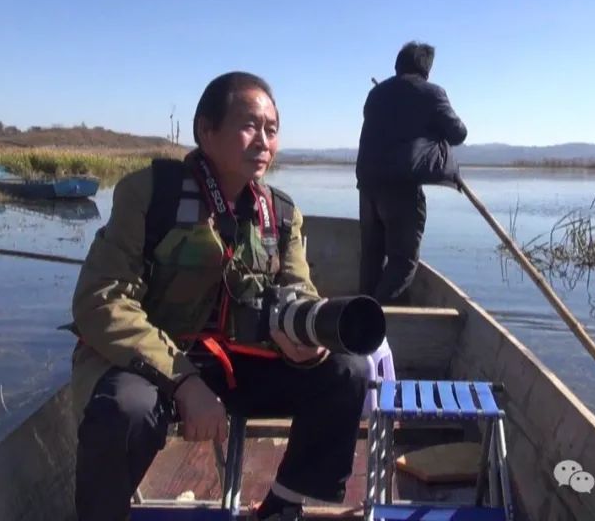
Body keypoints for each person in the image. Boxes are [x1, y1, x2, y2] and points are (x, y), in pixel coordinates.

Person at [69, 71, 368, 521]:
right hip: (156, 364)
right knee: (125, 410)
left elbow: (299, 288)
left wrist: (309, 338)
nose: (263, 141)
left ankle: (282, 504)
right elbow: (101, 301)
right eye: (249, 125)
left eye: (272, 129)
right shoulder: (150, 195)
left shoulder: (281, 213)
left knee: (346, 369)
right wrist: (184, 381)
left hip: (240, 364)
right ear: (206, 131)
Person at [355, 41, 468, 304]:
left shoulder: (376, 94)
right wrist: (433, 127)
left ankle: (361, 314)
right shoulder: (432, 93)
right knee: (403, 262)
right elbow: (458, 134)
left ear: (398, 65)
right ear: (427, 70)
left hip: (367, 186)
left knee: (371, 257)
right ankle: (377, 313)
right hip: (401, 188)